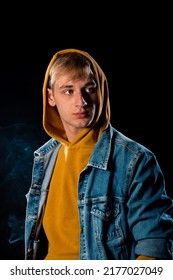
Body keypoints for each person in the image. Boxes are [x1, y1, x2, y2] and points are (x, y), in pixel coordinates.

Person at [24, 48, 173, 260]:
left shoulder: (135, 160)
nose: (81, 101)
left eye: (89, 89)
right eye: (69, 91)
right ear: (51, 97)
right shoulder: (44, 159)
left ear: (100, 91)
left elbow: (155, 246)